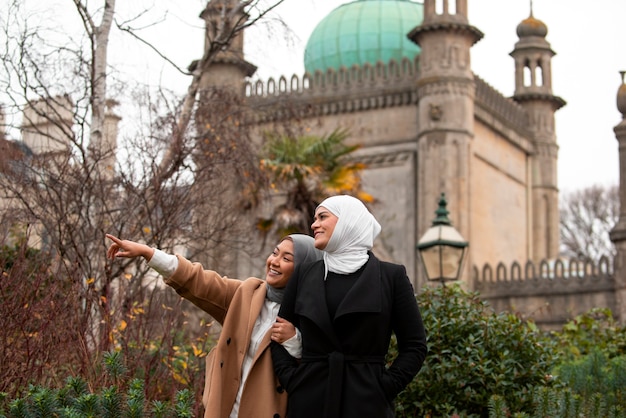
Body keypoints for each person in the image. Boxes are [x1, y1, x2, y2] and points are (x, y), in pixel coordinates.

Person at [106, 233, 323, 418]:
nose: (274, 261)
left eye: (287, 258)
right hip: (225, 408)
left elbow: (318, 373)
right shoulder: (247, 293)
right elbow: (197, 281)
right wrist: (148, 253)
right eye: (275, 253)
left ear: (303, 269)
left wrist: (295, 341)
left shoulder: (310, 314)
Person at [270, 195, 428, 418]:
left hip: (367, 405)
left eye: (322, 217)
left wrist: (384, 387)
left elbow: (414, 345)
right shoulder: (304, 275)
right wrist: (294, 380)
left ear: (348, 221)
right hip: (309, 402)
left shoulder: (391, 277)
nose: (314, 224)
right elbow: (277, 335)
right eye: (314, 218)